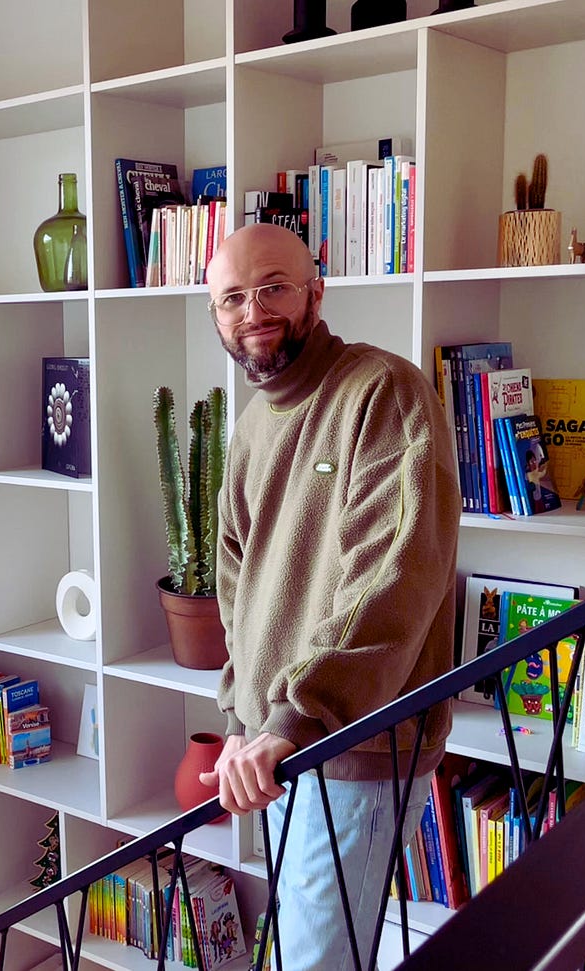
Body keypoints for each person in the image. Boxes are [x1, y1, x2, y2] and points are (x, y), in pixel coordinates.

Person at [196, 224, 461, 970]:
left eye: (275, 286)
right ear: (216, 315)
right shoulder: (251, 425)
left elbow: (393, 579)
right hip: (274, 752)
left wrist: (296, 715)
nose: (254, 310)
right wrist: (241, 718)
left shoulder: (385, 393)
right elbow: (234, 587)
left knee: (316, 962)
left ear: (317, 289)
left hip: (353, 747)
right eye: (233, 298)